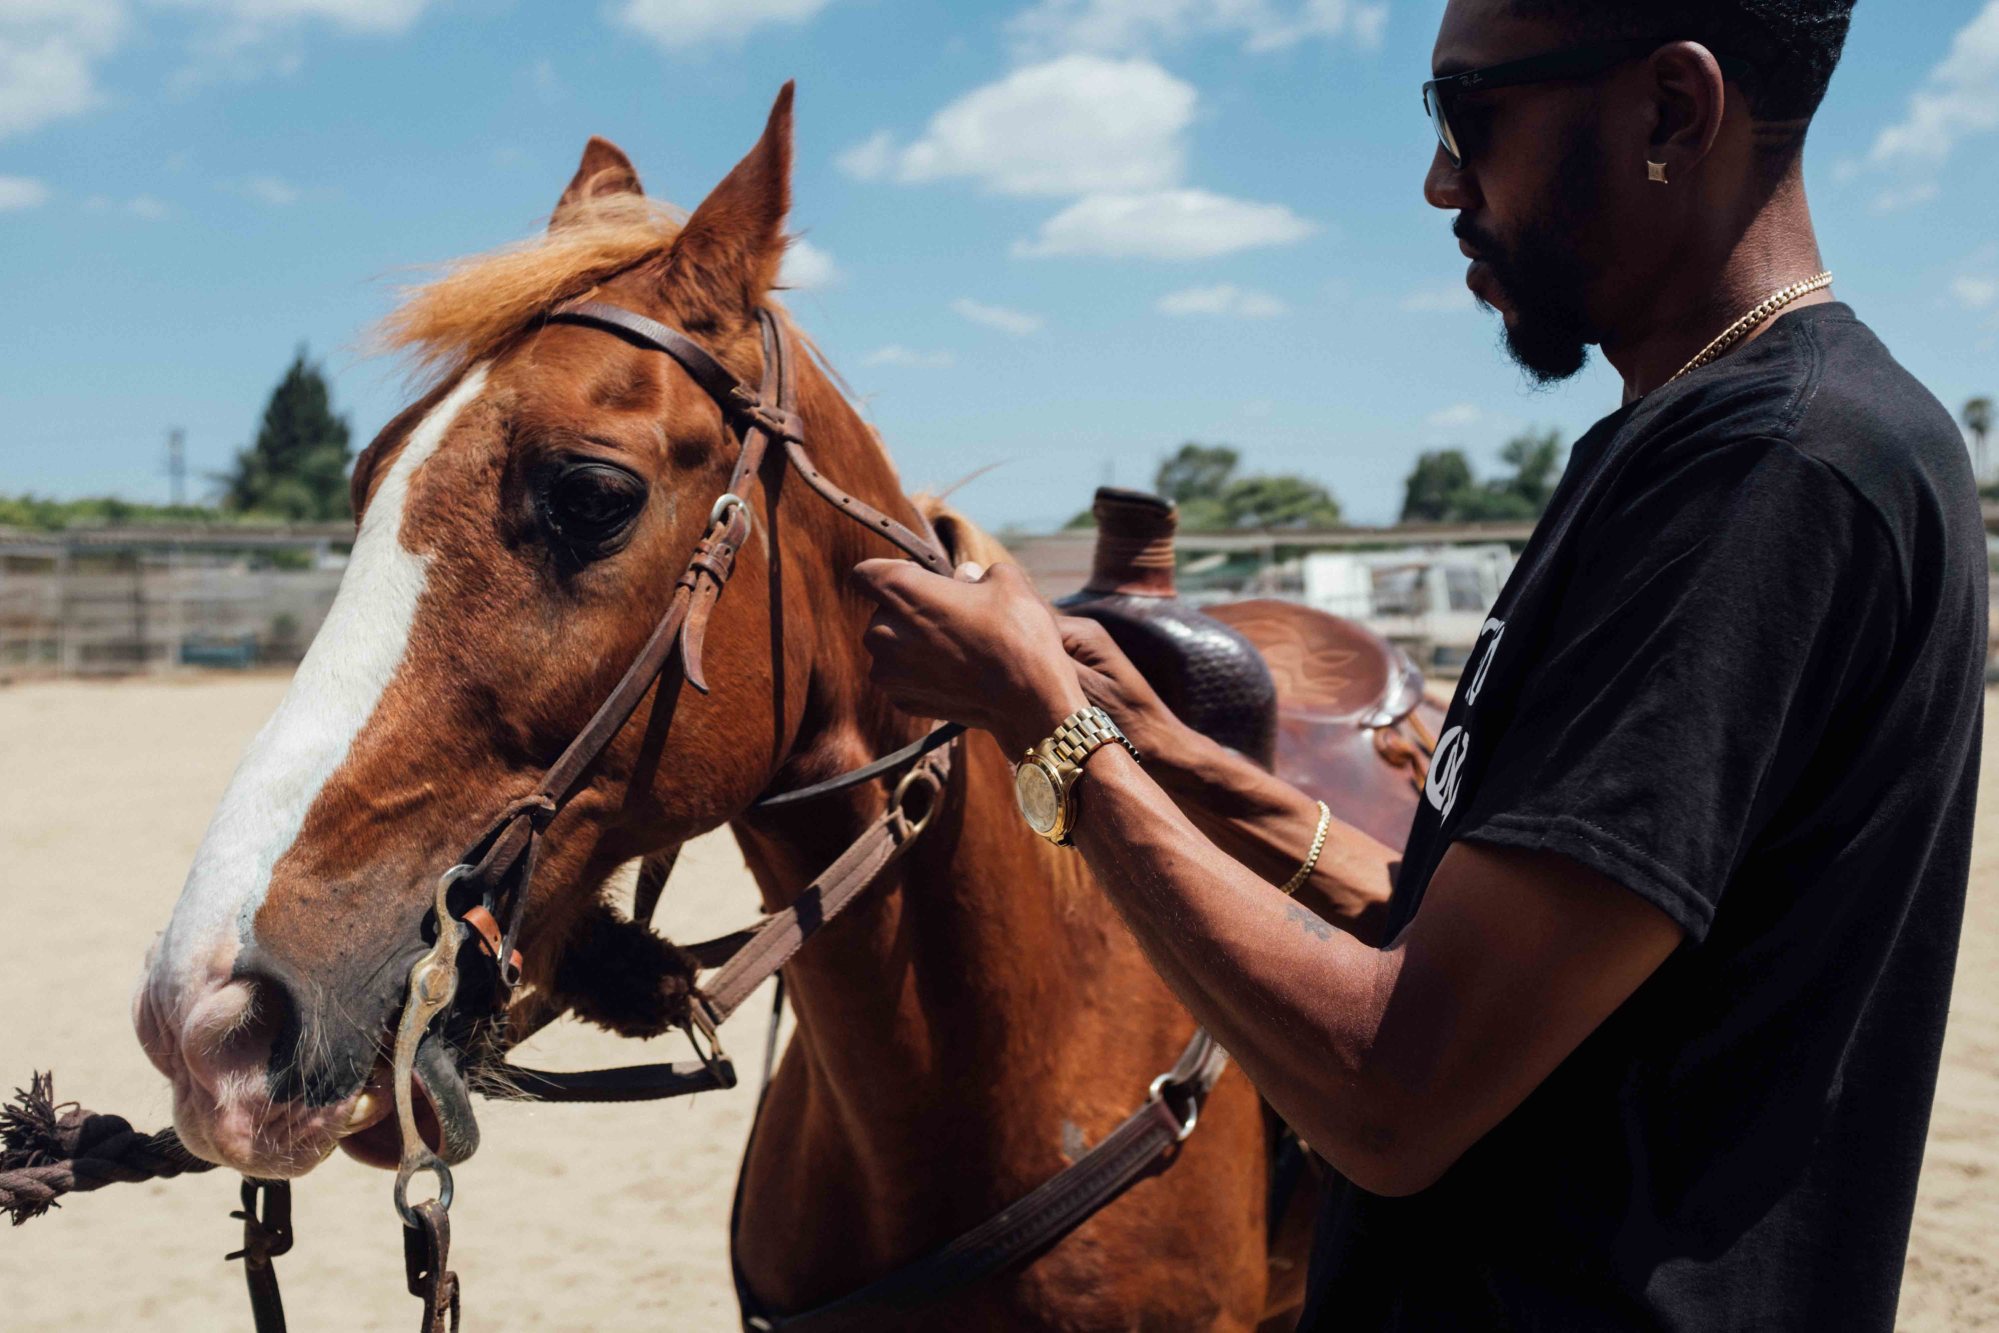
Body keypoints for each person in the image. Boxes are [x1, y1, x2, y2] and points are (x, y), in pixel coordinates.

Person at [853, 0, 1987, 1327]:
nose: (1441, 179)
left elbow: (1390, 1095)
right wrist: (1163, 750)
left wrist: (1046, 722)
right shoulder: (1684, 443)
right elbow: (1480, 923)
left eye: (1471, 114)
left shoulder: (1768, 475)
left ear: (1674, 112)